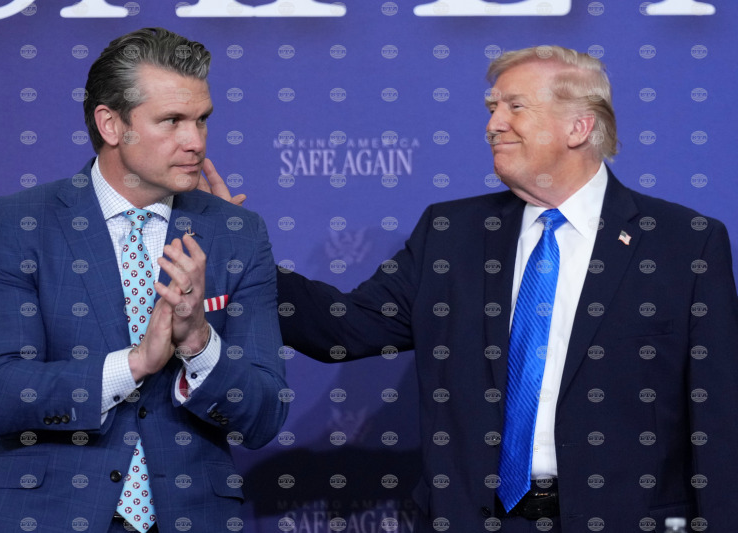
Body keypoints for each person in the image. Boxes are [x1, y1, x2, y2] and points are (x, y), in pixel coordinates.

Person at [204, 45, 738, 532]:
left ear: (578, 126)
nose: (493, 124)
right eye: (492, 108)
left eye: (514, 107)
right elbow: (343, 328)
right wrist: (240, 255)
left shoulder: (683, 243)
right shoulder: (450, 233)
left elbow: (718, 419)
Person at [0, 28, 288, 533]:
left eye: (202, 119)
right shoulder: (21, 222)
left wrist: (199, 343)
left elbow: (265, 415)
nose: (196, 142)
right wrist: (135, 364)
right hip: (48, 516)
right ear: (111, 124)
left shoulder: (237, 233)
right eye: (172, 121)